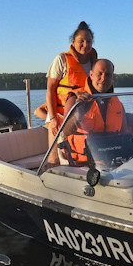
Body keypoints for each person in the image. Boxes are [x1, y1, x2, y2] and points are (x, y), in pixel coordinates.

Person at [59, 59, 133, 165]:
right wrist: (79, 113)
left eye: (108, 75)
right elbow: (65, 131)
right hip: (82, 164)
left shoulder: (118, 103)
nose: (103, 78)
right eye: (100, 73)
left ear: (112, 77)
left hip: (114, 162)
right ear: (91, 74)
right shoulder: (75, 99)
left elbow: (125, 132)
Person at [45, 21, 99, 164]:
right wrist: (52, 119)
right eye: (81, 41)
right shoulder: (62, 60)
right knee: (54, 158)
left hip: (84, 117)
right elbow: (50, 89)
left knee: (79, 156)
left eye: (89, 41)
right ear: (73, 41)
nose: (85, 45)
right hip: (59, 115)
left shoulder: (95, 63)